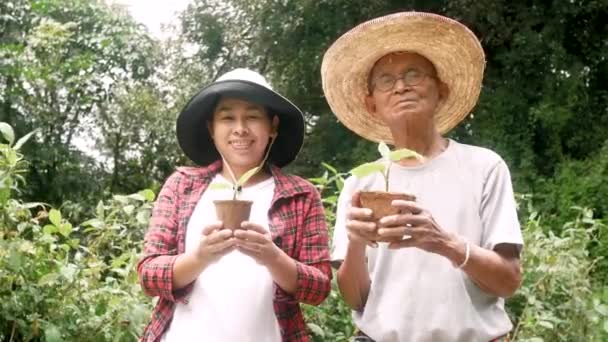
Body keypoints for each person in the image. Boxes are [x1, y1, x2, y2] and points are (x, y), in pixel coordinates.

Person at [321, 12, 523, 342]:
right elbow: (354, 299)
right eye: (385, 80)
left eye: (414, 75)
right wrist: (356, 241)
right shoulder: (361, 184)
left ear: (440, 89)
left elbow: (510, 280)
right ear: (372, 105)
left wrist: (445, 243)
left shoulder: (485, 167)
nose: (401, 87)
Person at [137, 68, 331, 342]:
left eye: (252, 116)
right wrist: (200, 257)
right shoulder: (181, 185)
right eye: (227, 117)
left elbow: (319, 288)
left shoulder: (301, 194)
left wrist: (272, 257)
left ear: (272, 126)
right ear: (211, 128)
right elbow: (148, 275)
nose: (240, 128)